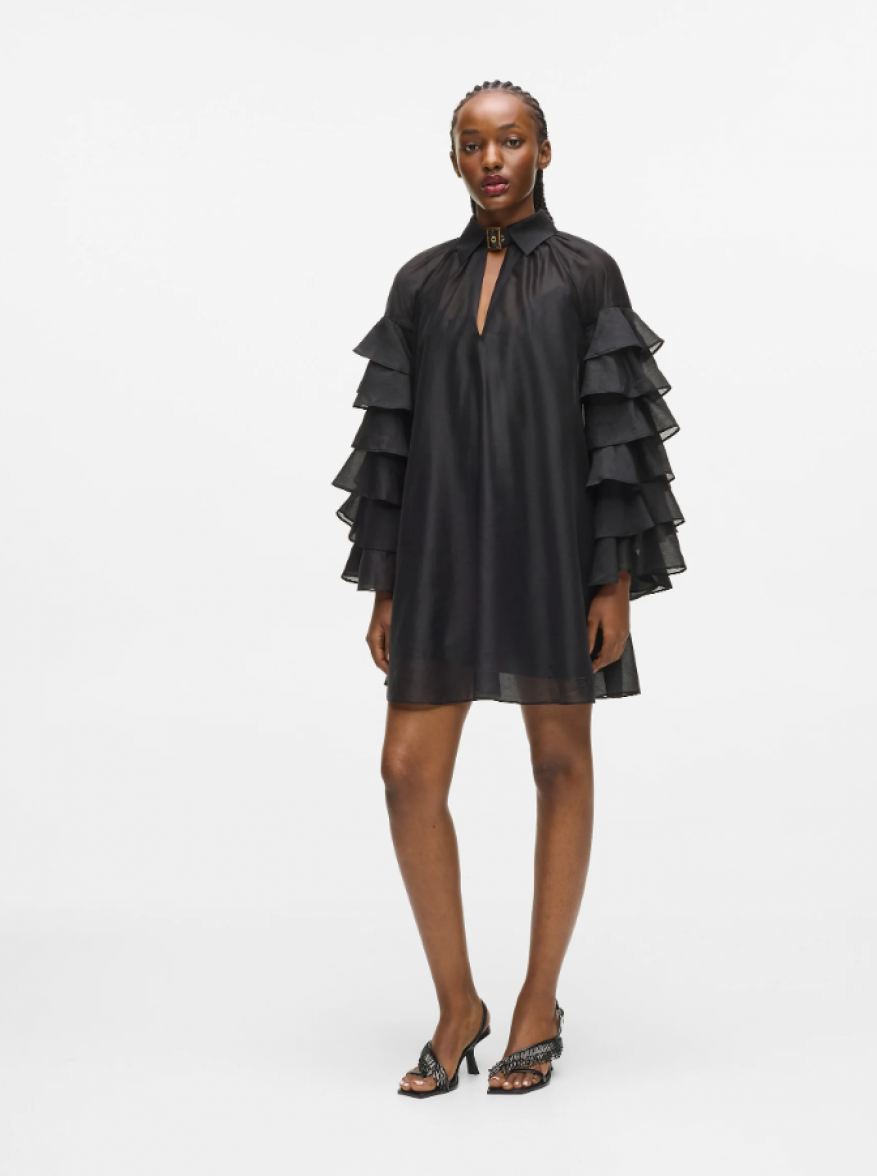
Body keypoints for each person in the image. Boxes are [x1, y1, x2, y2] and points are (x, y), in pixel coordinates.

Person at [332, 80, 686, 1096]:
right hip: (439, 551)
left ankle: (538, 1001)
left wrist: (613, 580)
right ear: (453, 157)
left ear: (544, 151)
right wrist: (385, 586)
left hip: (551, 548)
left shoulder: (587, 274)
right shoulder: (419, 283)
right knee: (406, 771)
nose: (492, 159)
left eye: (512, 140)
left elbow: (617, 432)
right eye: (472, 143)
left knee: (559, 764)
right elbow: (390, 445)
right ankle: (459, 1006)